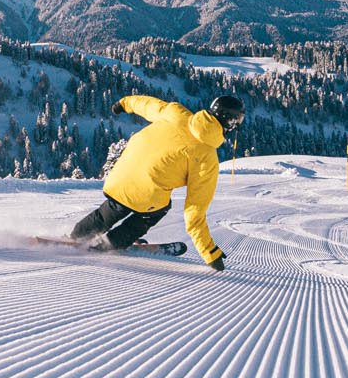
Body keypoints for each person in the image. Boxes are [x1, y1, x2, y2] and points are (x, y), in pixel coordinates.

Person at [71, 92, 244, 271]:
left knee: (115, 206)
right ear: (229, 121)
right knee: (157, 209)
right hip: (146, 195)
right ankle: (111, 242)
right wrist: (210, 252)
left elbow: (145, 104)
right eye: (238, 120)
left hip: (118, 176)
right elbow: (195, 212)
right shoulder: (207, 158)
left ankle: (78, 235)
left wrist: (124, 103)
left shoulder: (176, 112)